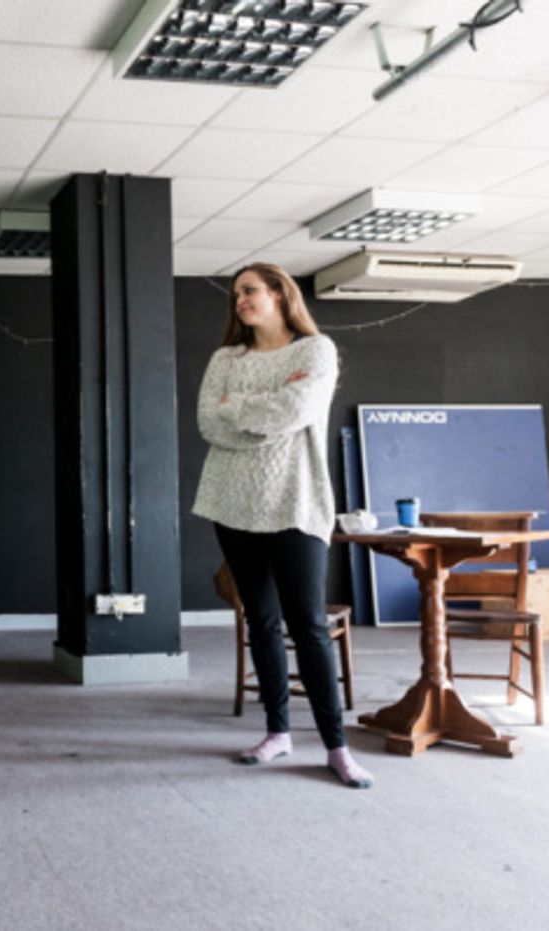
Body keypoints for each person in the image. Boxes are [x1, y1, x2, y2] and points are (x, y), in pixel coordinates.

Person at [192, 262, 372, 789]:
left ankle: (337, 748)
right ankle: (278, 732)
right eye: (236, 295)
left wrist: (238, 407)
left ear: (278, 293)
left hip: (296, 501)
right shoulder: (225, 358)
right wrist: (263, 409)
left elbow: (296, 411)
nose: (240, 301)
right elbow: (208, 422)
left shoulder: (315, 351)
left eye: (249, 291)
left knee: (308, 626)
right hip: (232, 502)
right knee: (261, 622)